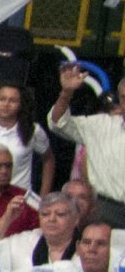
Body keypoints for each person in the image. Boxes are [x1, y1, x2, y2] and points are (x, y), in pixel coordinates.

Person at [50, 62, 125, 228]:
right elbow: (58, 123)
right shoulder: (100, 125)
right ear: (120, 100)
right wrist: (67, 92)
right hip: (105, 210)